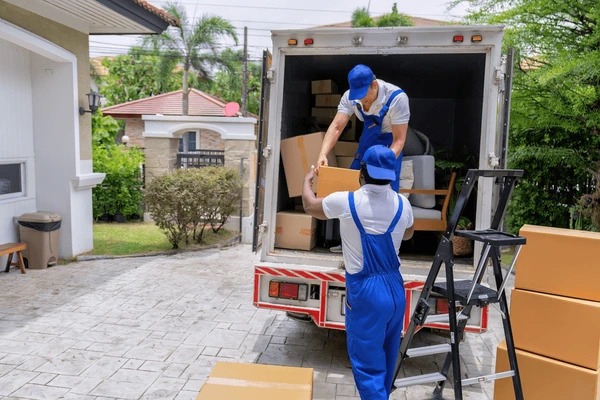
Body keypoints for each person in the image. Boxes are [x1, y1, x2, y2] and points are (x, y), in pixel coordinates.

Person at [302, 145, 414, 400]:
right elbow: (408, 233)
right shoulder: (403, 204)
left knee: (368, 367)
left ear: (362, 173)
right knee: (387, 361)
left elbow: (310, 206)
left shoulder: (346, 201)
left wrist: (307, 181)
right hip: (396, 291)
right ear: (390, 175)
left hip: (367, 293)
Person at [316, 64, 410, 192]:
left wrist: (383, 164)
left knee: (385, 192)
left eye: (364, 98)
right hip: (366, 144)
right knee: (352, 187)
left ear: (374, 85)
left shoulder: (397, 99)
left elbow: (399, 140)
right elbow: (337, 127)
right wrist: (323, 154)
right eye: (358, 98)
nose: (361, 102)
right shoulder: (350, 97)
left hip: (388, 148)